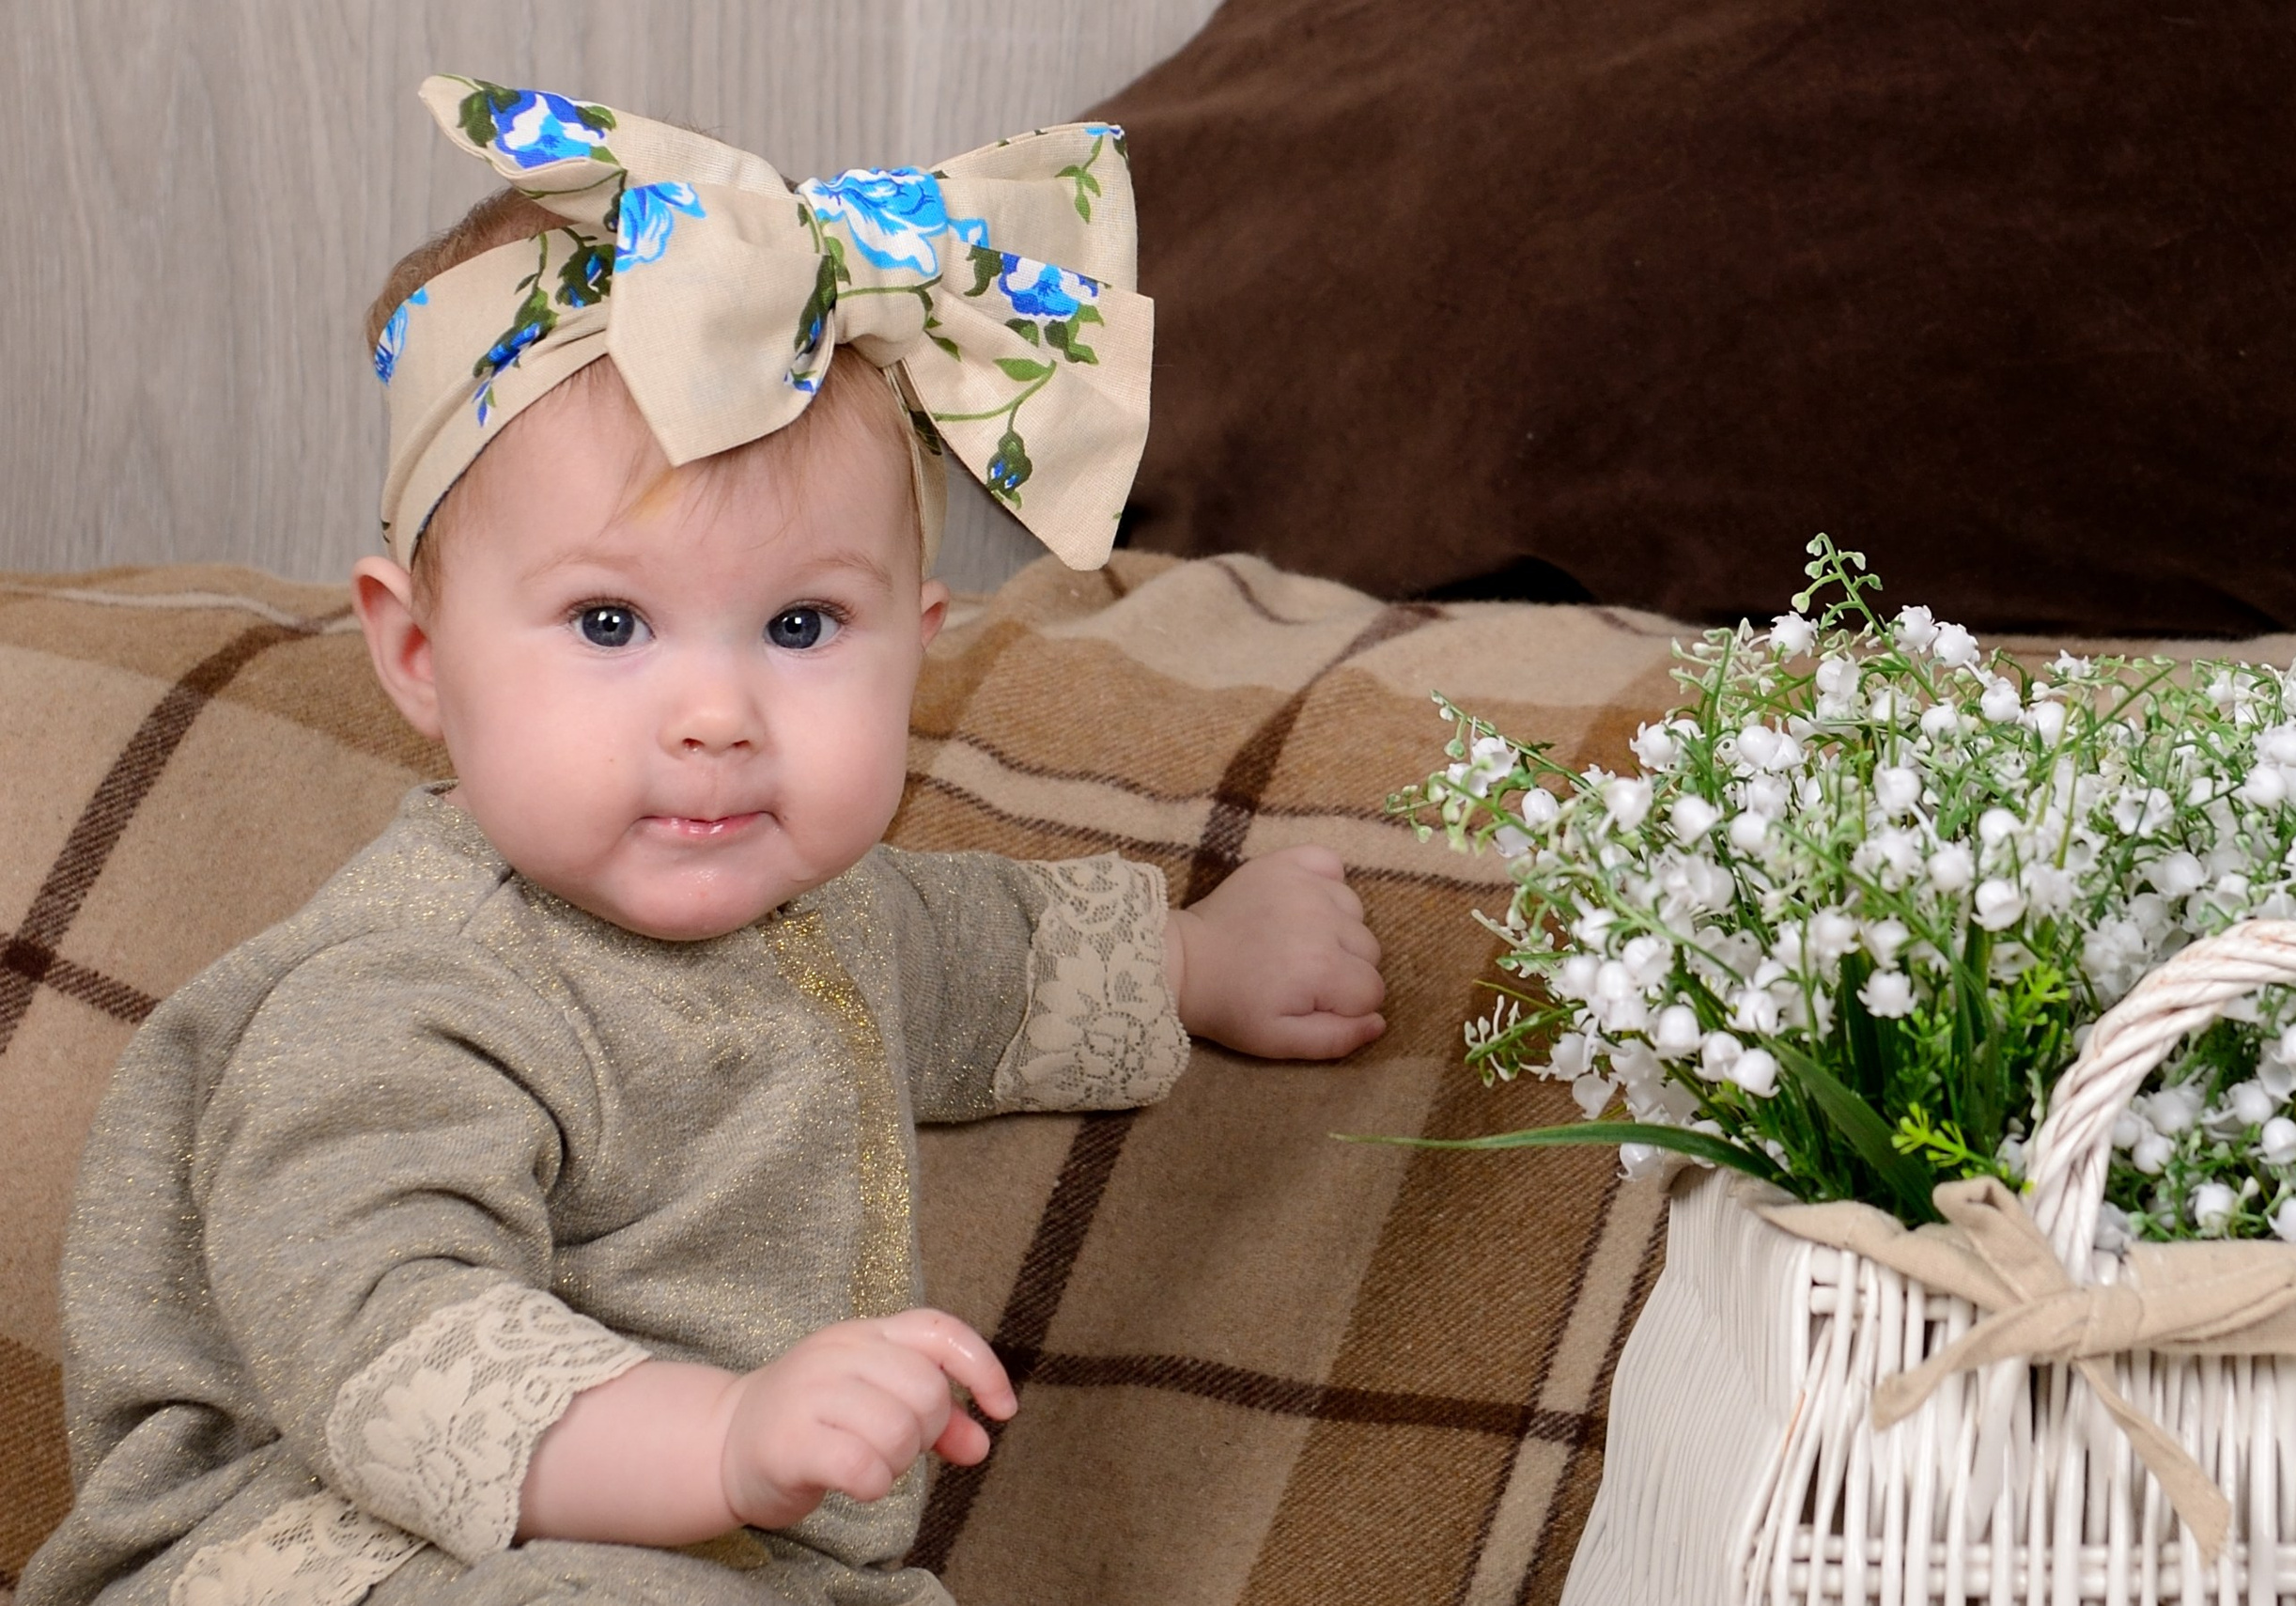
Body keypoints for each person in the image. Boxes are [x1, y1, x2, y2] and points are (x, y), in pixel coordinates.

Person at [22, 77, 1386, 1606]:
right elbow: (389, 1340)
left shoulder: (833, 922)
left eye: (802, 625)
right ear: (419, 656)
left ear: (917, 652)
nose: (717, 712)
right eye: (611, 622)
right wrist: (729, 1434)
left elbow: (980, 965)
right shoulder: (404, 994)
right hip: (333, 1544)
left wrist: (1200, 957)